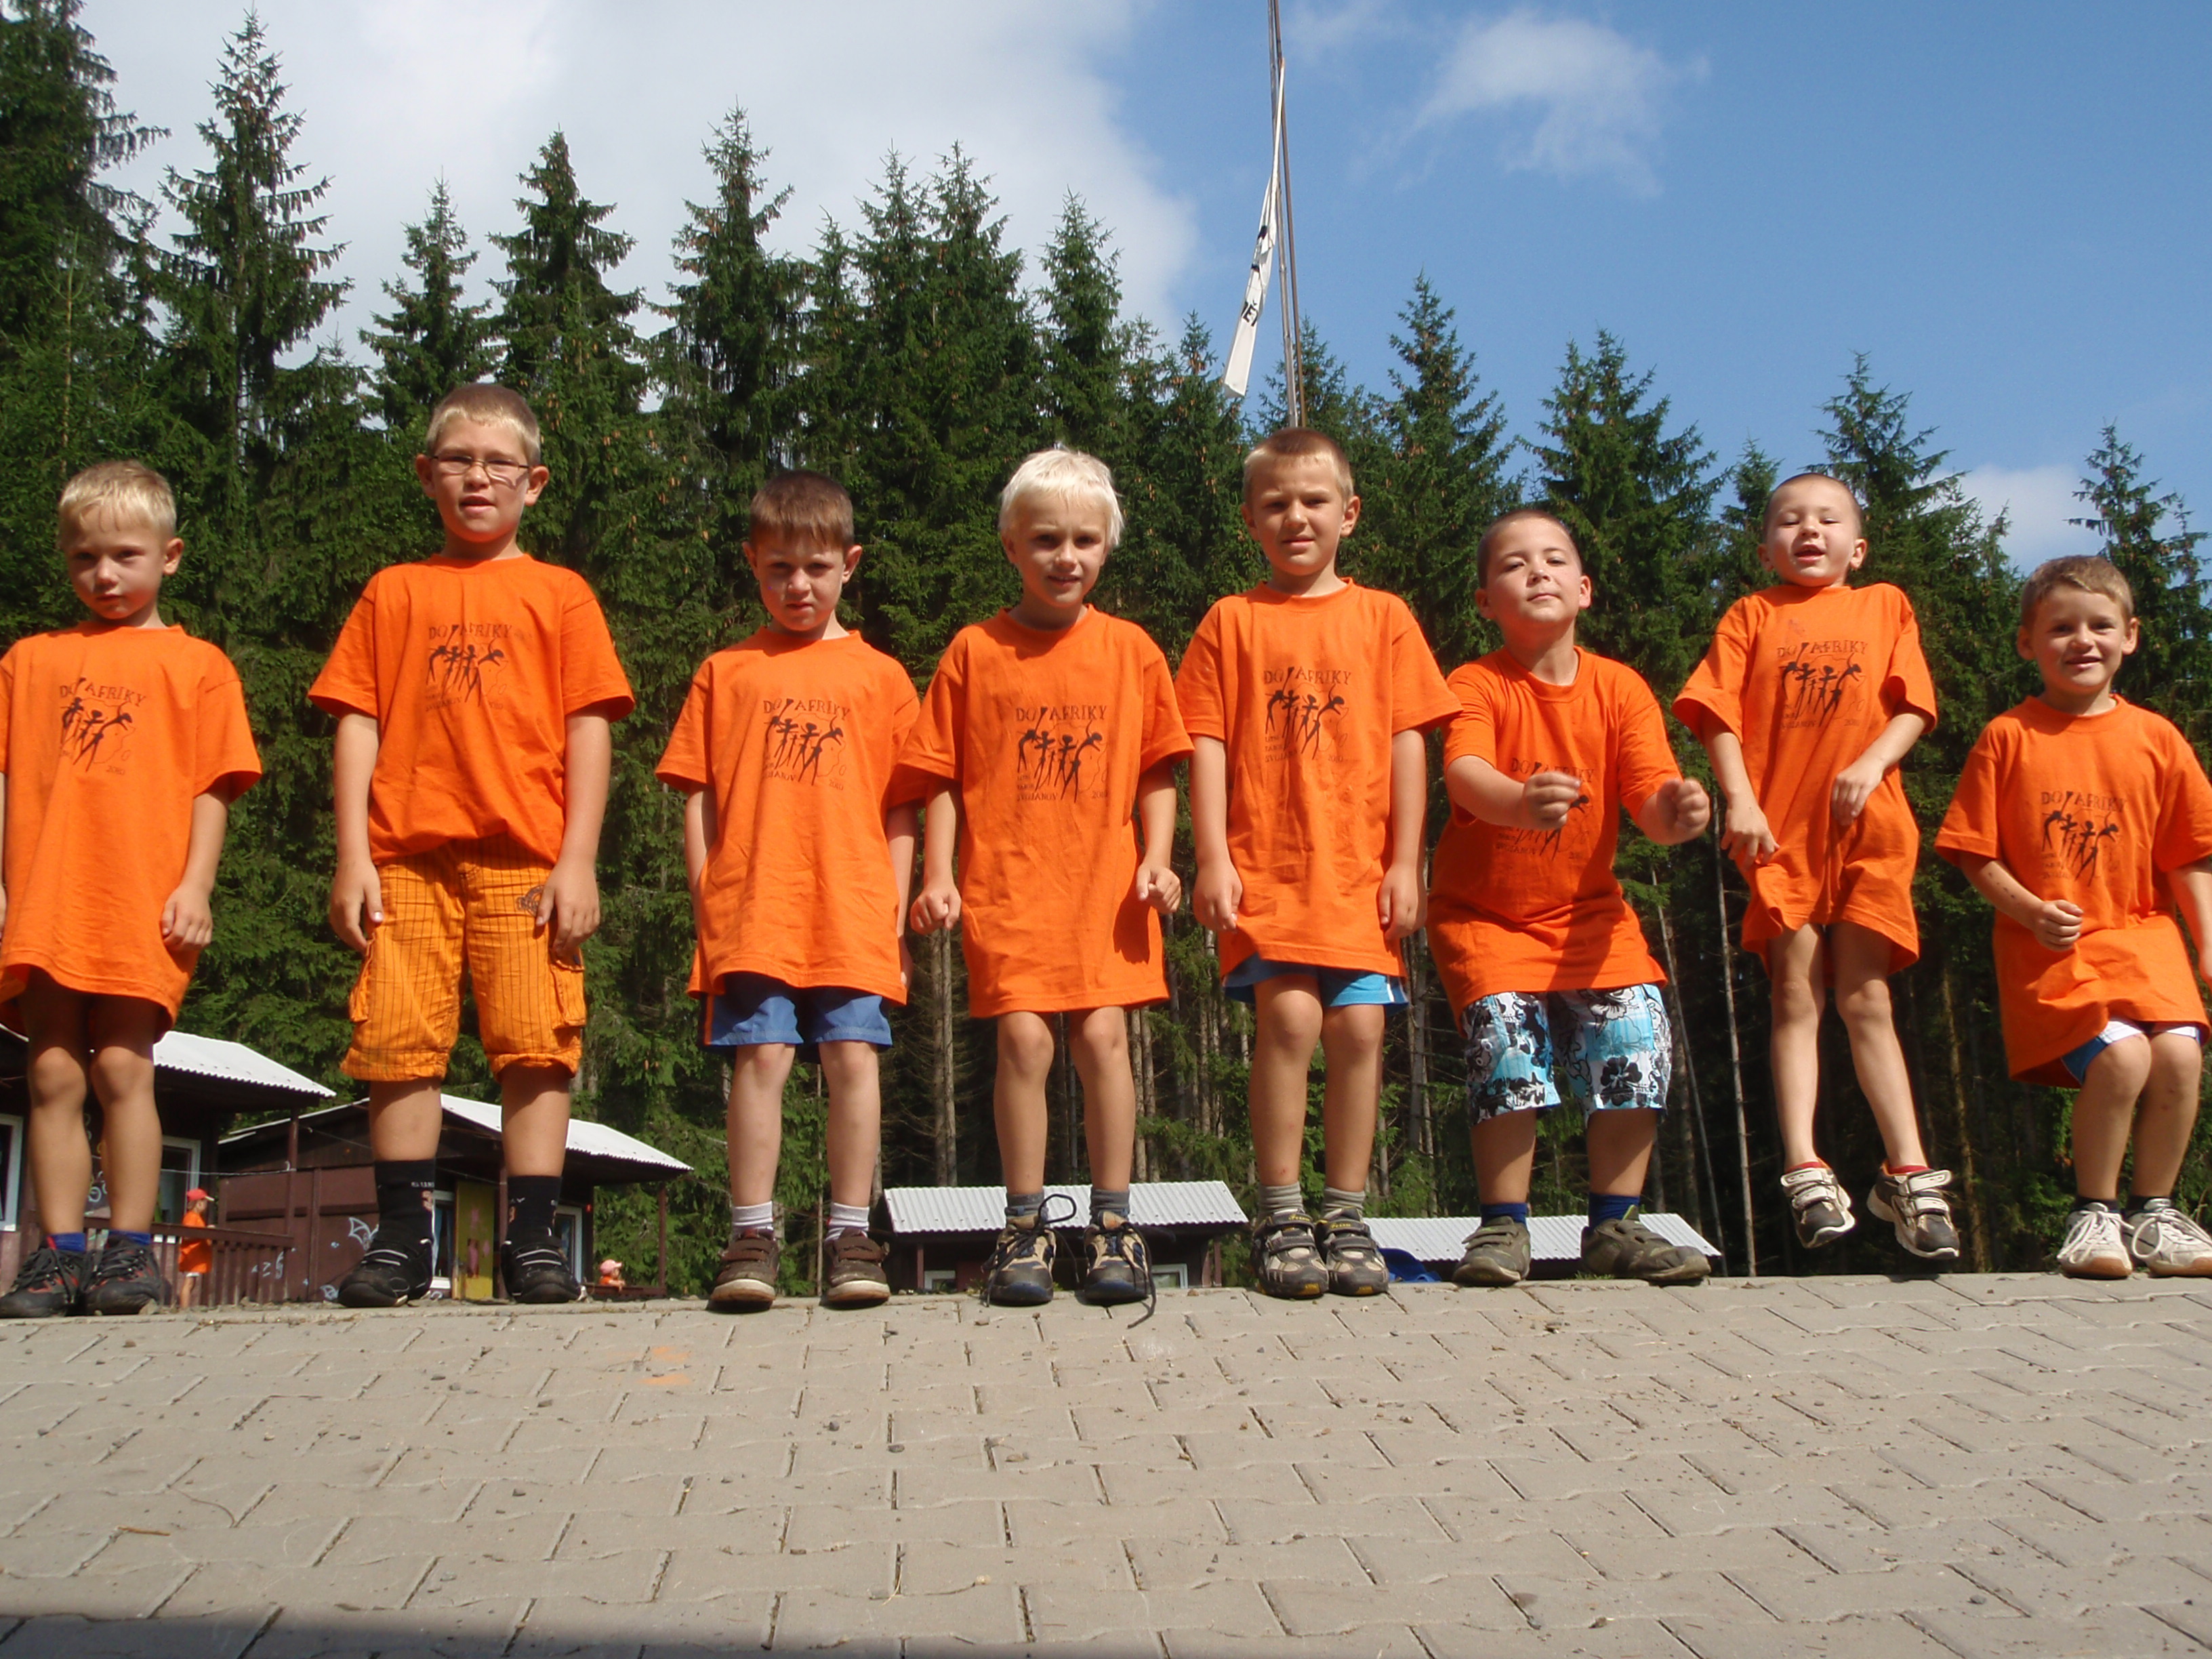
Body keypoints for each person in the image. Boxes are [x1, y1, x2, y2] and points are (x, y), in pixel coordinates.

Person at [311, 383, 634, 1308]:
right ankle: (403, 1242)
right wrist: (352, 856)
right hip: (406, 857)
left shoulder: (559, 595)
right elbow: (358, 723)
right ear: (427, 475)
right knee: (397, 1041)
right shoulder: (394, 592)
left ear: (534, 483)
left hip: (526, 858)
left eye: (499, 464)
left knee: (536, 1042)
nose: (478, 479)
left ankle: (531, 1239)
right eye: (458, 461)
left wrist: (578, 859)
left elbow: (588, 730)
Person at [901, 449, 1189, 1306]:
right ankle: (1023, 1230)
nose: (1067, 557)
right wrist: (938, 874)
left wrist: (1159, 858)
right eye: (1046, 540)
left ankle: (1114, 1227)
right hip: (1011, 890)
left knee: (1103, 1042)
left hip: (1106, 894)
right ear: (1011, 546)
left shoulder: (1132, 651)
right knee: (1025, 1045)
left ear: (1107, 547)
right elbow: (942, 774)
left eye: (1085, 541)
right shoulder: (974, 650)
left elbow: (1157, 770)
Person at [1176, 427, 1457, 1298]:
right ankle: (1281, 1214)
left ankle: (1346, 1213)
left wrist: (1407, 863)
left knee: (1361, 1030)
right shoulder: (1231, 621)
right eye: (1276, 504)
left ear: (1350, 513)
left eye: (1314, 501)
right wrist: (1211, 856)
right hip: (1268, 870)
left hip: (1359, 875)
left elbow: (1411, 743)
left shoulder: (1386, 619)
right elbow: (1205, 743)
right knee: (1291, 1022)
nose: (1296, 517)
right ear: (1251, 520)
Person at [1675, 472, 1959, 1261]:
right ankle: (1806, 1169)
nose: (1809, 531)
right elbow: (1717, 714)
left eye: (1828, 520)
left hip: (1872, 828)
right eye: (1791, 521)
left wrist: (1871, 763)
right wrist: (1740, 802)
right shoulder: (1751, 615)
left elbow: (1914, 705)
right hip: (1782, 833)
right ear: (1765, 547)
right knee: (1795, 994)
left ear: (1857, 548)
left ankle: (1909, 1173)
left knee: (1867, 997)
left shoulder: (1885, 605)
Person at [0, 462, 260, 1318]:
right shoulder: (30, 662)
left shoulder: (198, 666)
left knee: (121, 1064)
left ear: (169, 556)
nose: (104, 575)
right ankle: (56, 1254)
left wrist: (196, 886)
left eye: (124, 555)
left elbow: (213, 788)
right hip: (45, 897)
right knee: (50, 1071)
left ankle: (129, 1250)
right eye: (84, 558)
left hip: (139, 901)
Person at [1429, 511, 1715, 1288]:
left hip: (1590, 918)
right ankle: (1504, 1226)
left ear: (1584, 589)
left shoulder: (1620, 688)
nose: (1538, 572)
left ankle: (1615, 1225)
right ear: (1486, 601)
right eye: (1514, 564)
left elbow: (1651, 798)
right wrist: (1520, 802)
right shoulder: (1475, 683)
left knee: (1636, 1036)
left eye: (1555, 560)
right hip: (1486, 918)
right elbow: (1465, 775)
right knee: (1507, 1045)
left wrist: (1679, 813)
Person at [657, 470, 918, 1311]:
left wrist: (894, 909)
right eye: (779, 569)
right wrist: (708, 895)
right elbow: (697, 795)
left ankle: (852, 1237)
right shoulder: (725, 671)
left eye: (816, 568)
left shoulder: (882, 677)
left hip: (853, 909)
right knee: (761, 1057)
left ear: (850, 564)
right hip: (753, 907)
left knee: (852, 1058)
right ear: (752, 563)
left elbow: (903, 807)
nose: (798, 586)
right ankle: (751, 1237)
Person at [1937, 556, 2212, 1278]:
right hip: (2055, 952)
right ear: (2028, 643)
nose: (2082, 641)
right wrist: (2030, 911)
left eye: (2100, 626)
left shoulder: (2158, 739)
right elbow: (1974, 854)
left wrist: (2208, 943)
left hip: (2146, 939)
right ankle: (2095, 1213)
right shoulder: (2009, 737)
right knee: (2123, 1058)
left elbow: (2190, 855)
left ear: (2131, 637)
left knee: (2180, 1055)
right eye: (2061, 628)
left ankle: (2155, 1214)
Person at [177, 1187, 213, 1307]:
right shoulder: (191, 1217)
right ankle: (184, 1309)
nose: (206, 1205)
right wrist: (206, 1231)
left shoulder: (195, 1217)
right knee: (189, 1283)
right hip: (191, 1256)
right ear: (199, 1203)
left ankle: (185, 1308)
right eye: (205, 1202)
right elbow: (188, 1235)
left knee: (191, 1283)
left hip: (194, 1256)